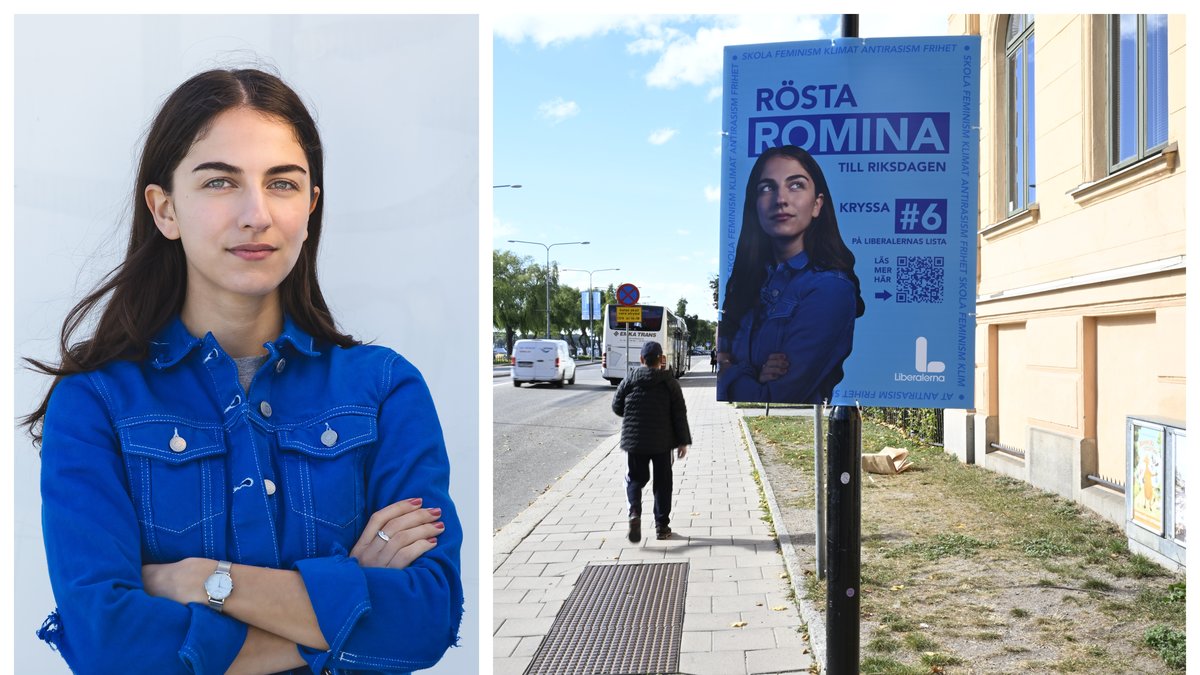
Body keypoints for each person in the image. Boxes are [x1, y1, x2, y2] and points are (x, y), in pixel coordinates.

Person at [24, 69, 462, 675]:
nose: (256, 214)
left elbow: (428, 618)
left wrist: (205, 581)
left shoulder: (384, 389)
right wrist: (338, 617)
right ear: (166, 208)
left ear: (310, 208)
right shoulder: (96, 402)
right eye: (221, 182)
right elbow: (108, 643)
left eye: (282, 183)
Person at [717, 145, 865, 404]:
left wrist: (730, 370)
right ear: (755, 205)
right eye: (767, 188)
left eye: (795, 185)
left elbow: (775, 395)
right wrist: (751, 371)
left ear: (817, 204)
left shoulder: (830, 289)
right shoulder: (750, 282)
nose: (780, 199)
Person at [612, 341, 692, 542]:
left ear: (641, 360)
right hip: (662, 443)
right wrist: (683, 441)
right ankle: (662, 527)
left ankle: (634, 513)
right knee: (663, 483)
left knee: (635, 479)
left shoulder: (630, 379)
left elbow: (617, 406)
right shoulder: (669, 382)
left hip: (635, 441)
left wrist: (632, 415)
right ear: (661, 360)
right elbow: (679, 413)